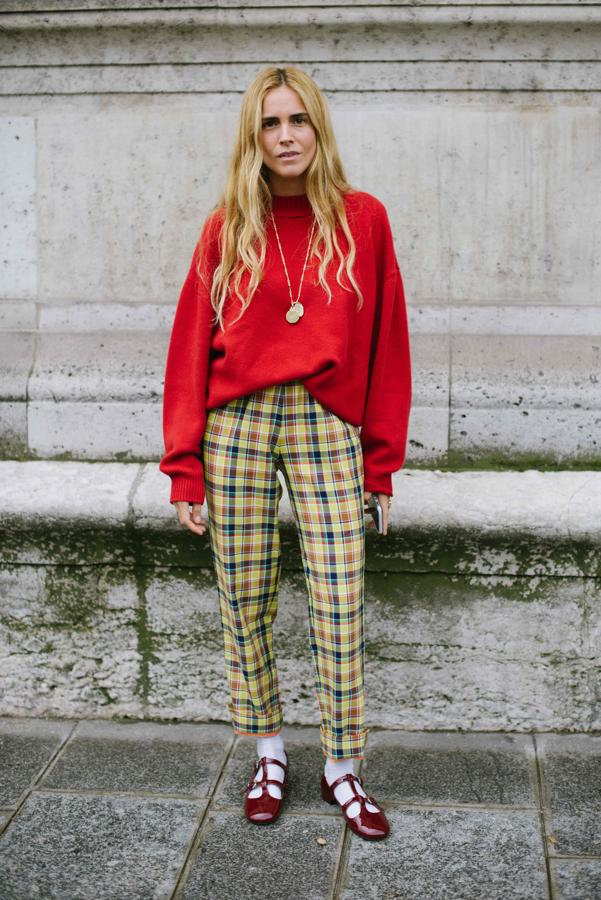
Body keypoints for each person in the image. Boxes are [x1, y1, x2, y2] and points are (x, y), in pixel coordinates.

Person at [159, 64, 412, 841]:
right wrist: (183, 465)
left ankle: (342, 765)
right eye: (269, 124)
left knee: (338, 600)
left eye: (297, 120)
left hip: (324, 421)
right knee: (246, 594)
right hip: (233, 422)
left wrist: (380, 463)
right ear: (252, 137)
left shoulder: (362, 219)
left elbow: (385, 343)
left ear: (318, 128)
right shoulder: (226, 224)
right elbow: (188, 345)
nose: (285, 136)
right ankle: (268, 752)